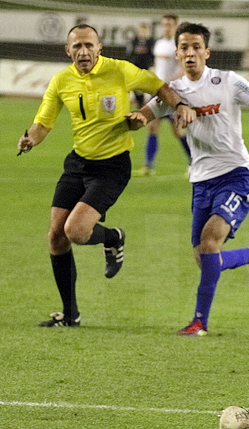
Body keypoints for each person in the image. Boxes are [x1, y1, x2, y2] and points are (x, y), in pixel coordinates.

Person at [17, 24, 195, 327]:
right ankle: (69, 314)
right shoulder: (62, 81)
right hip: (77, 164)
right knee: (56, 236)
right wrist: (31, 138)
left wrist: (179, 105)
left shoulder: (121, 70)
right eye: (77, 46)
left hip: (112, 167)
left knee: (75, 231)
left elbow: (160, 87)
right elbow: (44, 120)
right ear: (68, 50)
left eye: (89, 45)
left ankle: (113, 237)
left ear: (100, 48)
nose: (83, 52)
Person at [129, 22, 249, 337]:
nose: (190, 53)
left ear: (207, 52)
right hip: (201, 181)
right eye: (184, 48)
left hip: (236, 174)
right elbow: (142, 118)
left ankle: (199, 322)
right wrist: (131, 119)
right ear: (176, 53)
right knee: (204, 258)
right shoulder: (173, 93)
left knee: (211, 239)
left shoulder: (227, 82)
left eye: (196, 47)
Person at [135, 14, 193, 176]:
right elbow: (157, 66)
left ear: (175, 26)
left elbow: (183, 70)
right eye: (164, 24)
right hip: (157, 92)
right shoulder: (159, 44)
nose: (166, 27)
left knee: (177, 130)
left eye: (169, 24)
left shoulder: (179, 45)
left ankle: (194, 162)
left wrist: (169, 85)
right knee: (152, 127)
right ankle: (148, 166)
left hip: (172, 93)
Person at [126, 22, 155, 108]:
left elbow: (152, 56)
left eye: (145, 31)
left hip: (146, 69)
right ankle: (137, 104)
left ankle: (145, 105)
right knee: (135, 90)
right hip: (136, 69)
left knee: (145, 90)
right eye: (142, 30)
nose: (143, 33)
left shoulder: (151, 42)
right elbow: (129, 55)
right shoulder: (134, 41)